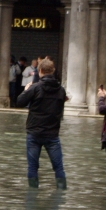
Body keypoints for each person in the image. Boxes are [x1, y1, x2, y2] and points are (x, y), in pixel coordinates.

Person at [16, 58, 69, 190]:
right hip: (52, 133)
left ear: (40, 71)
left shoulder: (35, 88)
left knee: (32, 167)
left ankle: (32, 195)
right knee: (58, 167)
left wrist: (26, 90)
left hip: (34, 132)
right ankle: (61, 193)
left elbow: (20, 102)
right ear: (53, 71)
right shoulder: (61, 90)